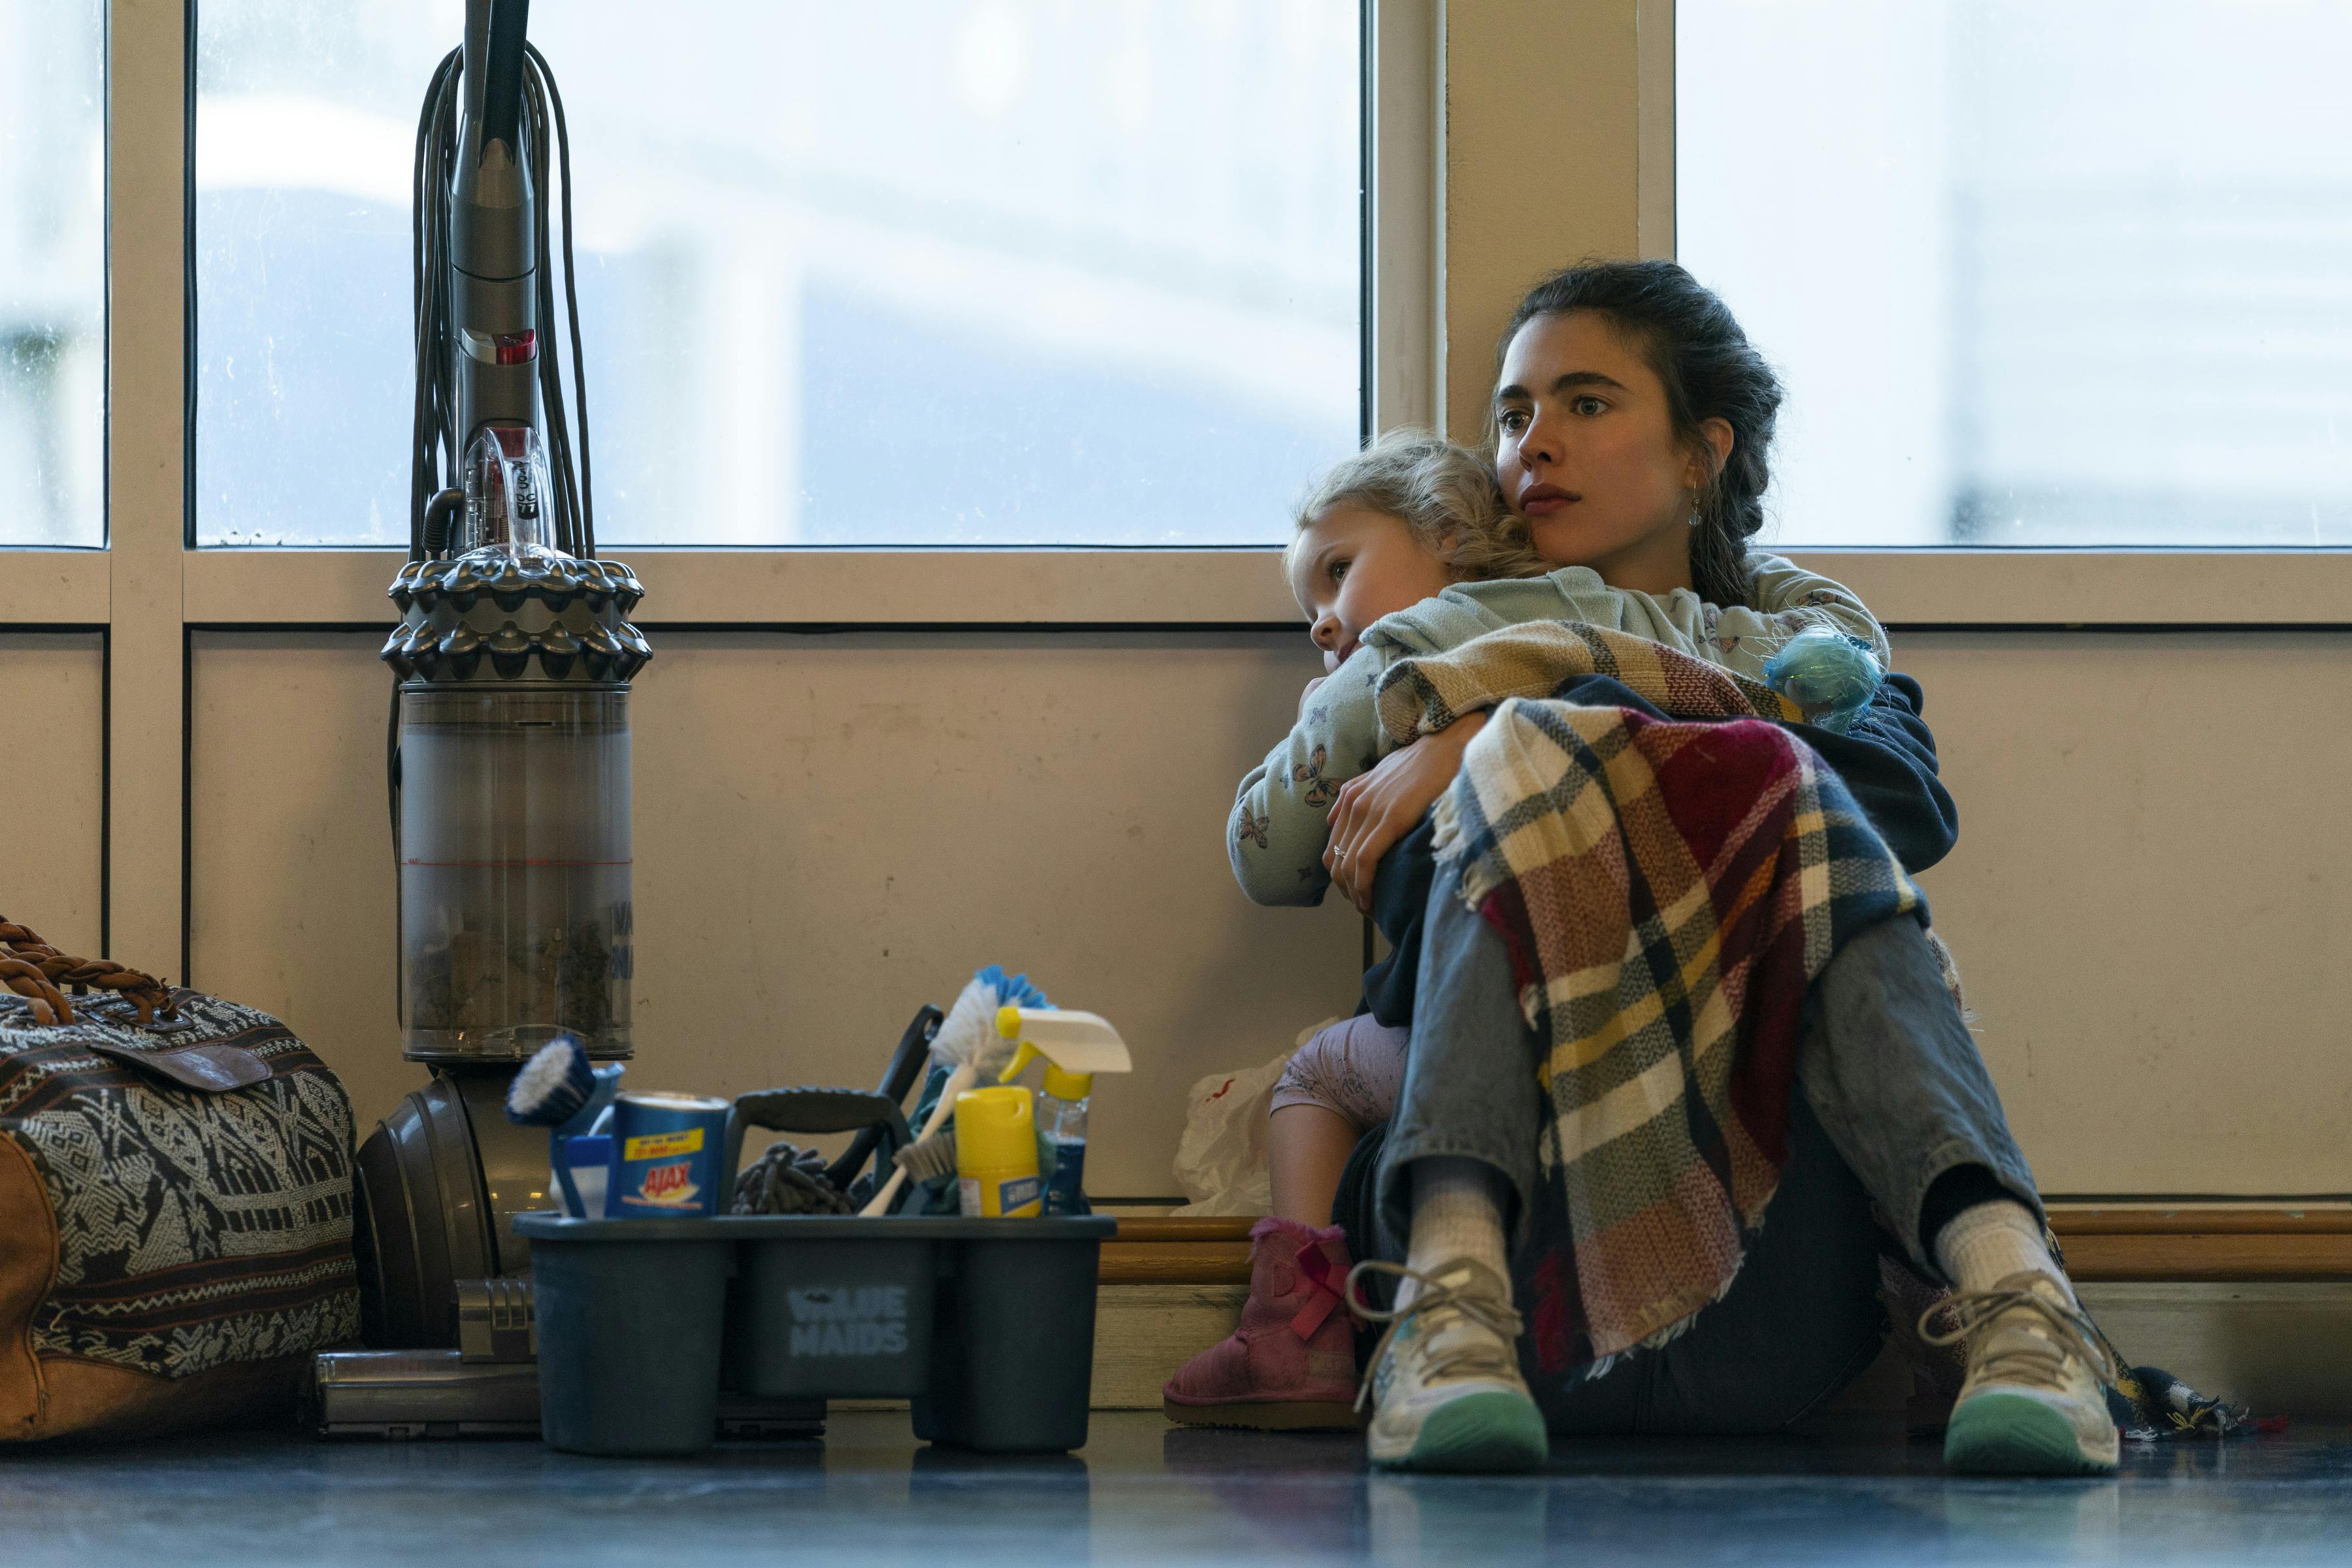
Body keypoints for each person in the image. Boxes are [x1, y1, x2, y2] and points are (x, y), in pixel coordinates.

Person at [1318, 259, 2111, 1479]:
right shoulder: (1443, 657)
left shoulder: (1806, 656)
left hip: (1776, 1274)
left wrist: (1541, 718)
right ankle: (1443, 1300)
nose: (1537, 445)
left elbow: (1900, 807)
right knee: (1559, 765)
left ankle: (2021, 1312)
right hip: (1521, 1267)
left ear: (1701, 456)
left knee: (1795, 796)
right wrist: (1496, 738)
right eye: (1516, 413)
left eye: (1587, 405)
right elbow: (1403, 919)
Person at [1163, 427, 1891, 1431]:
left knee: (1315, 1076)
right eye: (1313, 611)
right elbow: (1824, 663)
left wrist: (1309, 733)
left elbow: (1268, 857)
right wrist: (1753, 573)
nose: (1328, 623)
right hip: (1696, 1029)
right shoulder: (1648, 620)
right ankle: (1941, 1301)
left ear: (1451, 533)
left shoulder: (1393, 659)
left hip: (1510, 1051)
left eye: (1337, 574)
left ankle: (1301, 1333)